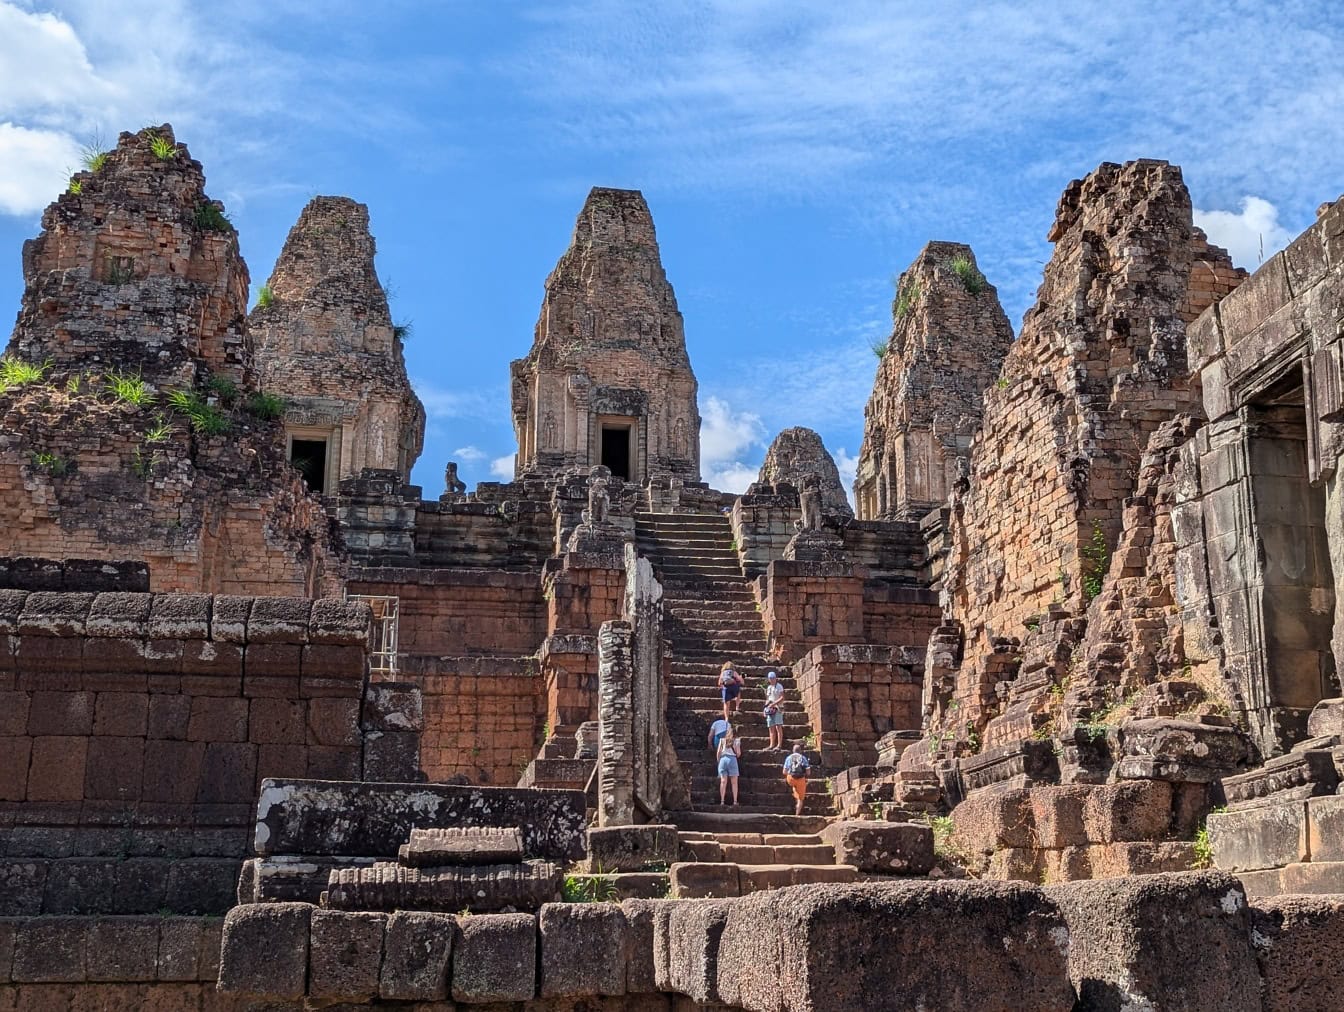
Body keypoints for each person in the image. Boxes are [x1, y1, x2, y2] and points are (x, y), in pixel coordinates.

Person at [782, 743, 810, 816]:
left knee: (794, 787)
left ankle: (795, 790)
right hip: (800, 779)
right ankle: (797, 814)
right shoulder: (803, 758)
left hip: (790, 779)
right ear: (800, 751)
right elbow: (808, 772)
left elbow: (784, 772)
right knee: (800, 799)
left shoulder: (788, 758)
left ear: (793, 751)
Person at [717, 726, 742, 806]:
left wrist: (719, 762)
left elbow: (718, 752)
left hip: (723, 760)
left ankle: (722, 801)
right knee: (734, 782)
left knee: (723, 781)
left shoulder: (722, 740)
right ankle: (735, 801)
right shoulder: (737, 741)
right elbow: (738, 754)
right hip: (732, 760)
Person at [762, 670, 786, 751]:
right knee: (771, 727)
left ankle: (779, 745)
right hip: (770, 709)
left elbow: (782, 697)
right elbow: (768, 699)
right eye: (770, 678)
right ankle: (772, 744)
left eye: (773, 678)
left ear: (776, 678)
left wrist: (774, 703)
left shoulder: (779, 686)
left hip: (778, 708)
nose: (772, 680)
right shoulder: (769, 687)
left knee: (778, 726)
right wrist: (765, 708)